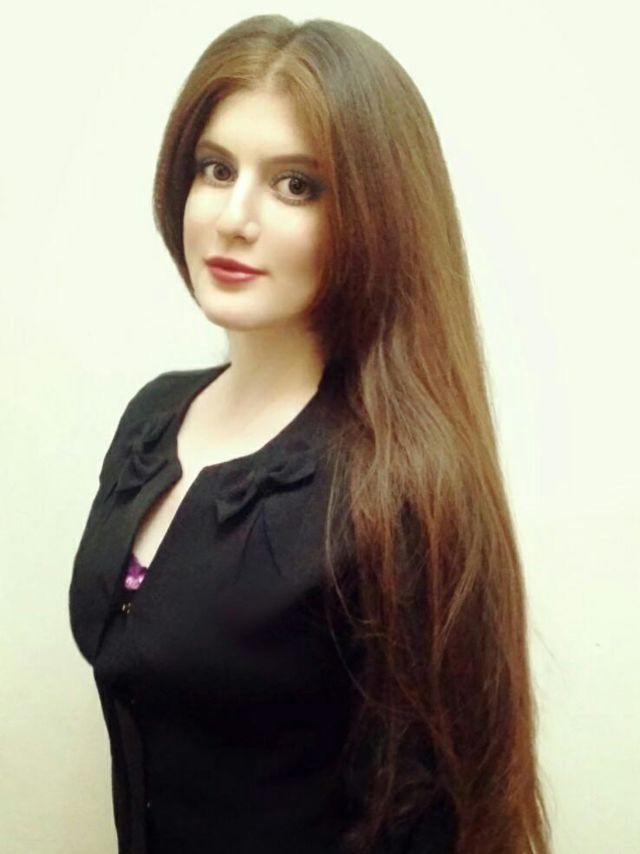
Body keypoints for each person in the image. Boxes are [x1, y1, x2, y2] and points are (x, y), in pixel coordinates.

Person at [68, 14, 552, 854]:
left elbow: (430, 821)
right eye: (216, 169)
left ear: (374, 214)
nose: (234, 217)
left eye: (296, 185)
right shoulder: (152, 420)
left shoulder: (395, 486)